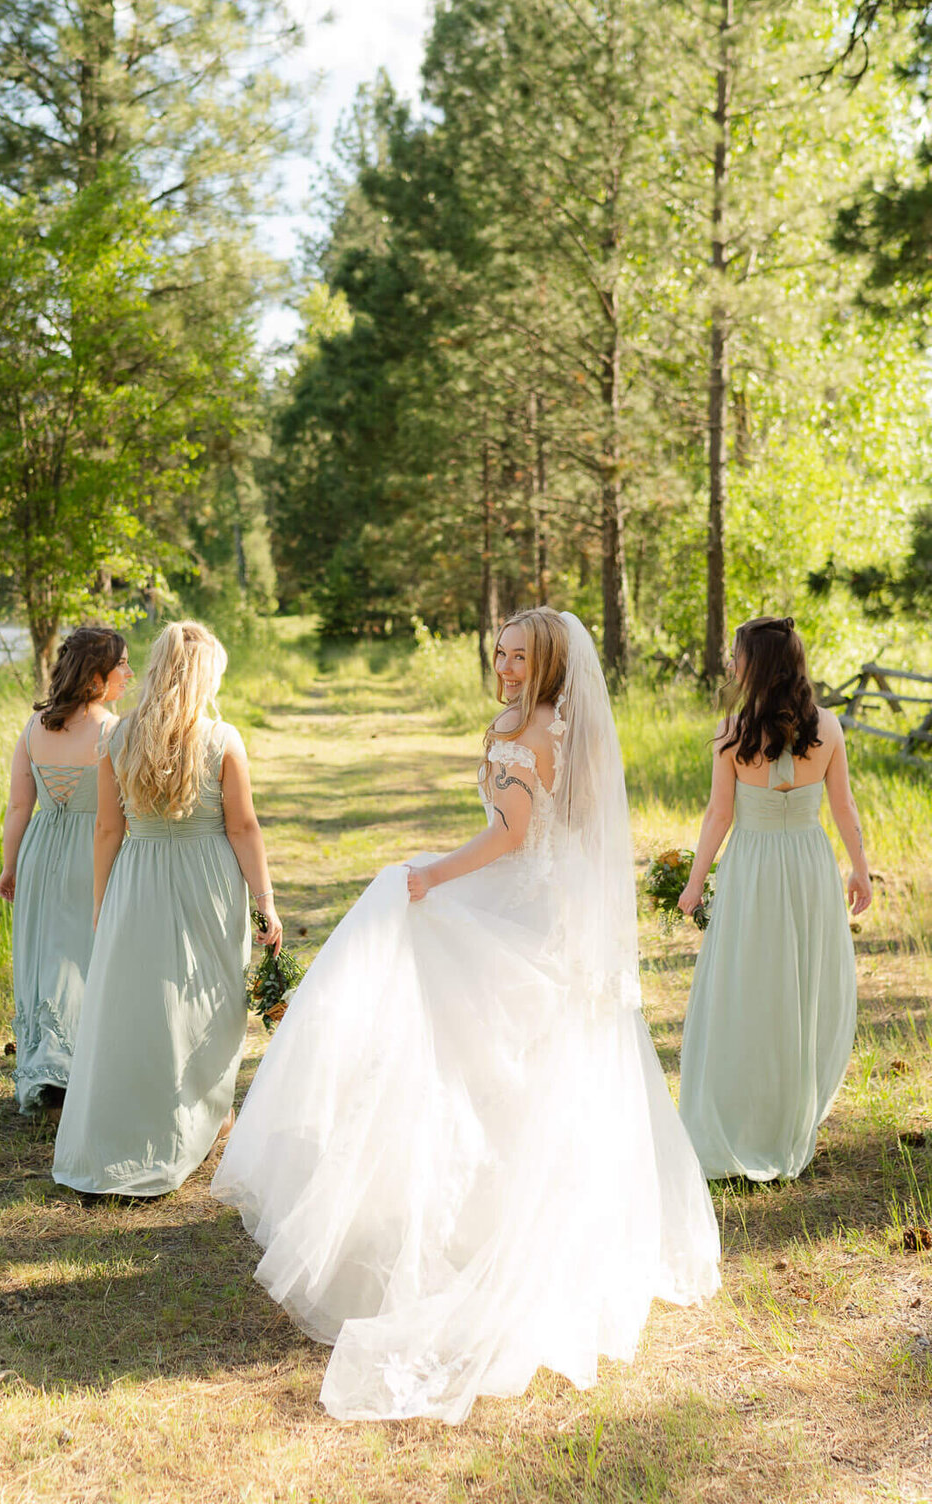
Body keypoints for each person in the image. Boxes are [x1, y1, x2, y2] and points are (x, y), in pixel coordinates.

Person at [212, 607, 720, 1424]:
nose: (506, 664)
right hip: (516, 892)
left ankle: (523, 1242)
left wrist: (435, 874)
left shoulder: (550, 732)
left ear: (550, 662)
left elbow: (519, 837)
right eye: (501, 651)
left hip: (533, 911)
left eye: (520, 655)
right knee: (473, 1059)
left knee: (506, 1053)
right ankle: (469, 1223)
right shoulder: (510, 724)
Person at [53, 620, 282, 1200]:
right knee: (210, 995)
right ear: (205, 676)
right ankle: (203, 1119)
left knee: (143, 1004)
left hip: (139, 876)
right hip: (207, 880)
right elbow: (243, 827)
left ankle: (155, 1120)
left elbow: (108, 829)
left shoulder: (119, 736)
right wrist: (265, 902)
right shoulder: (222, 738)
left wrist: (104, 904)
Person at [678, 615, 871, 1181]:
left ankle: (750, 1116)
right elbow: (843, 809)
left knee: (750, 983)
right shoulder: (828, 727)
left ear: (755, 664)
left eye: (736, 655)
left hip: (755, 866)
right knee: (800, 985)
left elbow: (719, 815)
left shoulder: (732, 732)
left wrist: (696, 883)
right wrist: (859, 870)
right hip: (808, 864)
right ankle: (786, 1114)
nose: (731, 664)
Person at [0, 625, 131, 1115]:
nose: (128, 673)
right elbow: (122, 810)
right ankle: (79, 1070)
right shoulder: (112, 731)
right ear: (96, 677)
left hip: (40, 849)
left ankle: (49, 1071)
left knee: (47, 956)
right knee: (86, 957)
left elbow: (18, 806)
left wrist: (10, 865)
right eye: (121, 665)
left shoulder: (35, 729)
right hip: (90, 850)